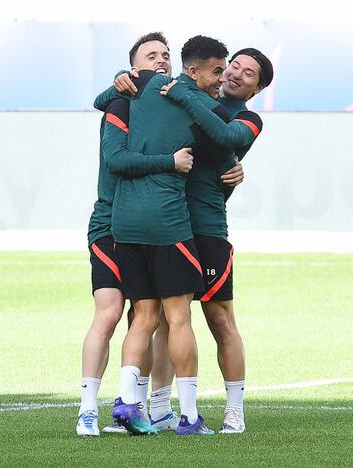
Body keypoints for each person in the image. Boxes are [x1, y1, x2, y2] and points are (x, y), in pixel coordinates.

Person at [97, 45, 273, 434]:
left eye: (247, 74)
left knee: (219, 318)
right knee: (155, 317)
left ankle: (234, 410)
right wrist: (120, 84)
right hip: (167, 222)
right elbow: (112, 102)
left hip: (205, 227)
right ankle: (156, 407)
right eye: (233, 67)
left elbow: (220, 139)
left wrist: (180, 94)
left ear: (256, 89)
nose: (235, 74)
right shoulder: (182, 95)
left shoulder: (247, 119)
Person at [76, 32, 193, 437]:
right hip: (110, 224)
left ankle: (148, 405)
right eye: (151, 55)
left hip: (147, 228)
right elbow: (116, 158)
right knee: (109, 314)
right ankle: (88, 408)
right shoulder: (121, 101)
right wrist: (168, 162)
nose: (161, 60)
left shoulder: (171, 105)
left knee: (153, 317)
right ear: (134, 66)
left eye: (166, 55)